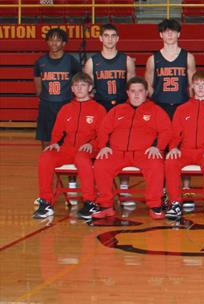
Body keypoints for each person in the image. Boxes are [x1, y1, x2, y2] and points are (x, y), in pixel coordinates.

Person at [91, 77, 172, 219]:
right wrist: (103, 146)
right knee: (101, 165)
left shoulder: (156, 110)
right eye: (133, 91)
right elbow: (103, 130)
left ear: (146, 92)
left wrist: (157, 147)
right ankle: (105, 205)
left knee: (156, 166)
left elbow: (167, 131)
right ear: (127, 93)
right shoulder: (117, 110)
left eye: (140, 91)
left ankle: (155, 205)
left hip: (144, 152)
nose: (136, 95)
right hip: (117, 152)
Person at [34, 73, 106, 219]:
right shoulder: (66, 108)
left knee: (81, 159)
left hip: (88, 149)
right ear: (72, 89)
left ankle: (90, 202)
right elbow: (57, 131)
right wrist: (54, 143)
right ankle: (46, 202)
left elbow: (103, 135)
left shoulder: (99, 109)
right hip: (67, 149)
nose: (79, 88)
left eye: (83, 85)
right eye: (76, 85)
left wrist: (92, 144)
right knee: (46, 157)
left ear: (90, 88)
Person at [164, 71, 204, 220]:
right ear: (192, 86)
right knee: (170, 161)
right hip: (185, 151)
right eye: (197, 84)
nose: (200, 87)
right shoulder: (182, 109)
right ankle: (175, 203)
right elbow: (174, 134)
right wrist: (173, 148)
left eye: (203, 84)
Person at [33, 28, 81, 146]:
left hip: (66, 104)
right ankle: (46, 157)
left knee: (67, 136)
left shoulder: (71, 61)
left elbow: (80, 81)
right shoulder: (40, 62)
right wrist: (43, 98)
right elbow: (38, 86)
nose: (54, 43)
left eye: (58, 40)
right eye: (51, 40)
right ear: (47, 42)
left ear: (64, 43)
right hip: (47, 105)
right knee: (46, 137)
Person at [145, 18, 196, 119]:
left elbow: (192, 85)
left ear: (178, 34)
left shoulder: (188, 57)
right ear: (161, 35)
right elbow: (148, 85)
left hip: (182, 104)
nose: (169, 34)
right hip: (159, 105)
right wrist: (156, 98)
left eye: (173, 31)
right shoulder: (152, 59)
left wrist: (189, 101)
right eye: (166, 31)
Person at [84, 23, 136, 112]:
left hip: (122, 105)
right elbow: (88, 90)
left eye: (113, 36)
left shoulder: (127, 60)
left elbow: (132, 88)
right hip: (99, 106)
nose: (110, 39)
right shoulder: (91, 62)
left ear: (117, 38)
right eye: (106, 36)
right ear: (101, 38)